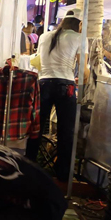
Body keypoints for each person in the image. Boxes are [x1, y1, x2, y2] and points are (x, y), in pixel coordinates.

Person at [34, 9, 87, 183]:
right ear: (79, 24)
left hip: (44, 84)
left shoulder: (44, 36)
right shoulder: (80, 37)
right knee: (66, 131)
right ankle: (63, 174)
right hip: (66, 86)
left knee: (37, 128)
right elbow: (84, 71)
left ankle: (31, 167)